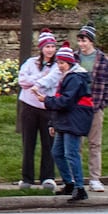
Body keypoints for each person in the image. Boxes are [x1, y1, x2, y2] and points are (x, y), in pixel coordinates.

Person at [44, 42, 95, 203]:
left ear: (70, 63)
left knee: (71, 154)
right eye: (58, 63)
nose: (59, 66)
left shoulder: (75, 78)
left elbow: (65, 101)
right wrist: (52, 122)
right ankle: (69, 183)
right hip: (65, 120)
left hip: (74, 120)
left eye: (62, 63)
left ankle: (80, 188)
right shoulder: (67, 76)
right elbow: (60, 101)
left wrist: (45, 100)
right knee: (57, 153)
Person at [16, 29, 61, 188]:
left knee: (48, 143)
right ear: (41, 48)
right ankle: (27, 178)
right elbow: (22, 80)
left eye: (52, 46)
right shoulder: (30, 63)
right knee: (28, 143)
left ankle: (47, 177)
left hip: (47, 107)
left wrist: (34, 82)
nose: (50, 49)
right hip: (28, 106)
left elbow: (51, 81)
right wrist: (38, 78)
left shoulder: (57, 65)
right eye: (47, 46)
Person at [78, 25, 108, 192]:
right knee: (77, 144)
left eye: (84, 40)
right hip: (78, 107)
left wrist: (103, 102)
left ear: (91, 41)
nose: (81, 43)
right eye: (80, 40)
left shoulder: (102, 59)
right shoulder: (74, 58)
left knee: (95, 143)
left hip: (95, 106)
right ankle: (78, 177)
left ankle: (95, 178)